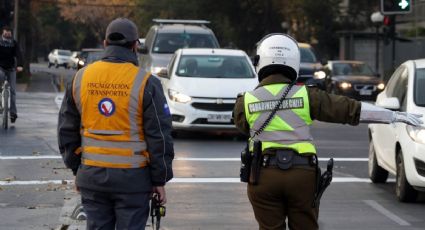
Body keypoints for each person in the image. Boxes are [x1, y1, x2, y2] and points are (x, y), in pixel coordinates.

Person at [233, 33, 423, 230]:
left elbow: (242, 126)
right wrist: (392, 116)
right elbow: (350, 109)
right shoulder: (308, 96)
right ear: (294, 62)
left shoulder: (246, 101)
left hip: (263, 175)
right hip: (302, 175)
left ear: (259, 62)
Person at [58, 18, 174, 230]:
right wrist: (160, 179)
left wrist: (78, 170)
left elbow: (66, 131)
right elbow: (159, 136)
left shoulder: (80, 78)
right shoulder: (146, 83)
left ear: (105, 44)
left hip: (92, 177)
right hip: (134, 181)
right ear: (135, 46)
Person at [0, 26, 23, 123]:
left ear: (11, 34)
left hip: (11, 68)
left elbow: (19, 54)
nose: (7, 35)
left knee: (13, 91)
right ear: (2, 33)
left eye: (9, 34)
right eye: (5, 33)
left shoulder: (14, 43)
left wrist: (20, 65)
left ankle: (13, 113)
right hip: (0, 67)